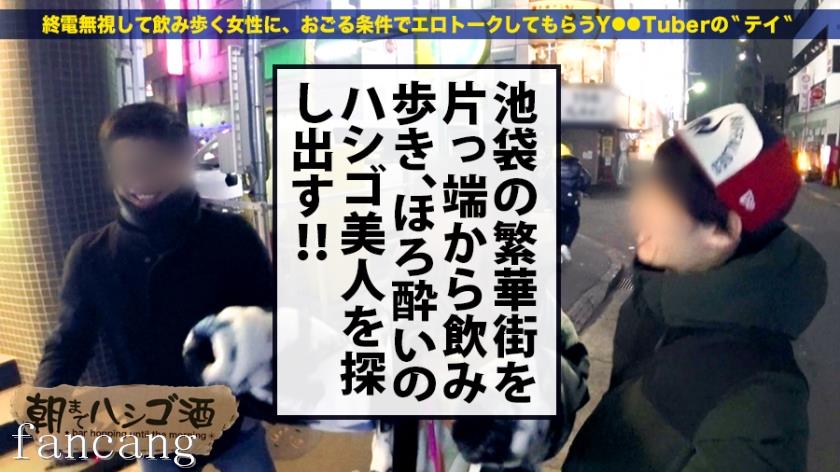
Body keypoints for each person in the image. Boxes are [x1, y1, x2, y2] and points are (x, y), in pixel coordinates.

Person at [564, 103, 827, 471]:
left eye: (668, 201)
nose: (640, 209)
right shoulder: (659, 296)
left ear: (725, 232)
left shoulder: (760, 411)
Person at [35, 102, 275, 471]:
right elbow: (69, 342)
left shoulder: (231, 237)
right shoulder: (92, 256)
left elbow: (270, 316)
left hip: (236, 427)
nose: (140, 181)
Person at [560, 144, 591, 264]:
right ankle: (565, 245)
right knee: (574, 222)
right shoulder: (576, 165)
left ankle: (559, 253)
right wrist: (580, 188)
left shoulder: (551, 167)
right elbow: (587, 179)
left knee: (561, 225)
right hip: (571, 201)